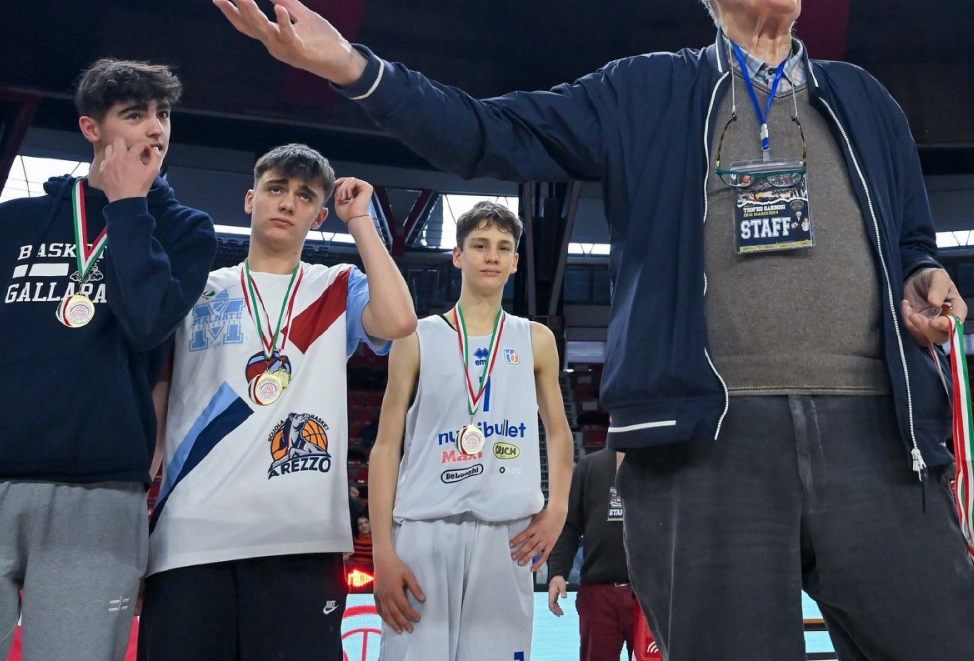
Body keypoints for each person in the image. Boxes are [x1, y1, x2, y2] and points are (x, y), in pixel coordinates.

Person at [216, 0, 974, 660]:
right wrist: (354, 68)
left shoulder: (865, 100)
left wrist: (923, 274)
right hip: (705, 441)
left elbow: (910, 241)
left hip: (878, 435)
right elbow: (489, 131)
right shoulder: (645, 91)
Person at [0, 59, 217, 661]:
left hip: (100, 492)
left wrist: (129, 208)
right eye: (134, 115)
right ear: (91, 128)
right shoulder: (12, 222)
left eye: (163, 115)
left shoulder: (185, 231)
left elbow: (145, 326)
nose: (155, 129)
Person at [138, 145, 418, 661]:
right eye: (276, 189)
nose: (288, 203)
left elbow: (400, 321)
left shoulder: (335, 286)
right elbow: (159, 399)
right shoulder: (195, 290)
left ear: (319, 213)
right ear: (250, 199)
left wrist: (361, 223)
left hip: (301, 539)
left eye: (305, 195)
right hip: (191, 537)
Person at [369, 202, 574, 660]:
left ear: (515, 262)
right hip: (425, 531)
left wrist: (557, 508)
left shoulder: (536, 339)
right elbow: (386, 446)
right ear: (458, 255)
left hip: (508, 535)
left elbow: (559, 433)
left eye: (503, 248)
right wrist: (383, 549)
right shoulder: (415, 336)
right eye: (480, 245)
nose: (492, 256)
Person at [548, 445, 637, 661]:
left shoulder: (661, 462)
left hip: (649, 593)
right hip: (598, 593)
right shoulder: (589, 466)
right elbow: (568, 525)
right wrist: (557, 572)